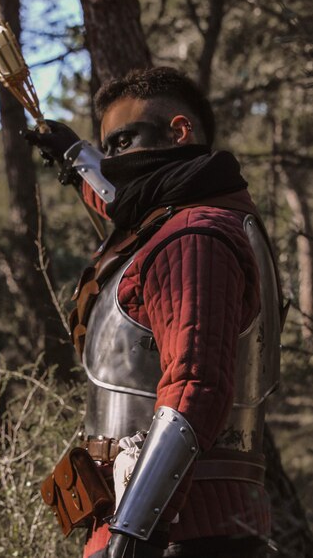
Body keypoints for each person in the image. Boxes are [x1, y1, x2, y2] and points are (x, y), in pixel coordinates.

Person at [30, 67, 283, 558]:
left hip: (179, 533)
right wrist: (75, 156)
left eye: (123, 142)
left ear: (179, 131)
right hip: (181, 525)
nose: (115, 161)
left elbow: (195, 387)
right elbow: (124, 202)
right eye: (108, 150)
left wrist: (133, 534)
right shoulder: (193, 215)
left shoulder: (194, 237)